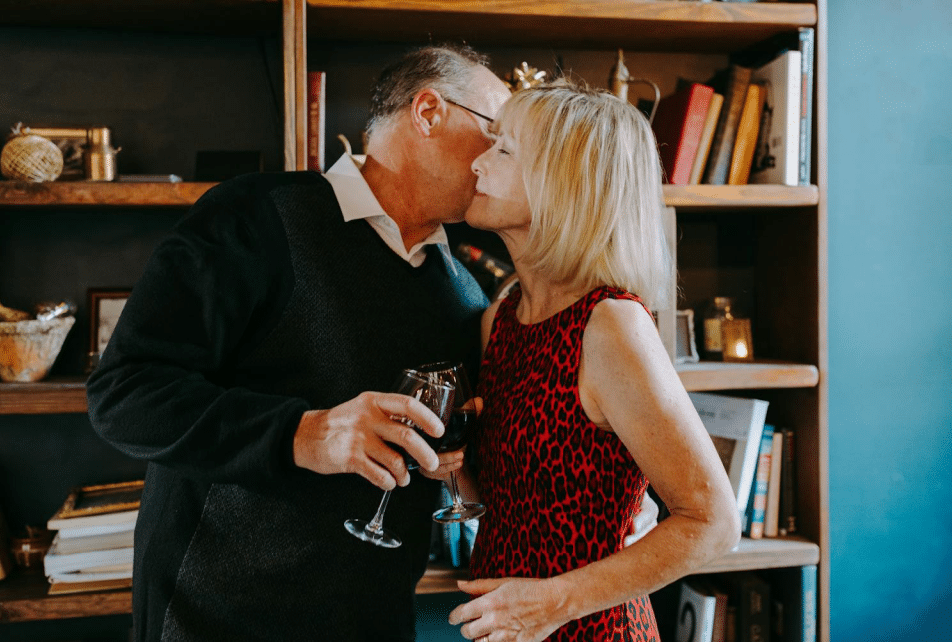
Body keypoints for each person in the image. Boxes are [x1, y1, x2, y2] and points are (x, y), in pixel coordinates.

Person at [86, 44, 511, 641]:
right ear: (428, 112)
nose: (501, 158)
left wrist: (454, 466)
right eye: (496, 132)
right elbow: (124, 394)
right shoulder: (256, 217)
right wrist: (307, 434)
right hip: (213, 618)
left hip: (373, 622)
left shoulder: (465, 293)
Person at [447, 81, 742, 642]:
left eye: (504, 149)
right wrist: (455, 468)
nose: (478, 163)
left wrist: (551, 604)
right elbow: (512, 506)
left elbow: (714, 522)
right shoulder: (501, 318)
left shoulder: (609, 325)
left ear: (565, 185)